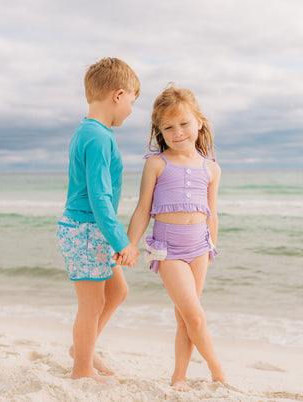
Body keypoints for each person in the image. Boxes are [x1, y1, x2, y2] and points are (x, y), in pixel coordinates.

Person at [115, 85, 225, 391]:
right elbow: (142, 209)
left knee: (185, 320)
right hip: (169, 251)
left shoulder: (212, 169)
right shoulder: (157, 164)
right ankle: (219, 372)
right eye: (168, 127)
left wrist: (211, 248)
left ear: (199, 122)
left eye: (184, 123)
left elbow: (211, 214)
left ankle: (179, 376)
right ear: (159, 131)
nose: (178, 132)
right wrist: (129, 244)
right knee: (195, 316)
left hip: (200, 248)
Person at [57, 57, 140, 383]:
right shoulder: (98, 137)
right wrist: (123, 242)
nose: (131, 109)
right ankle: (82, 371)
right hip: (86, 230)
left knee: (117, 292)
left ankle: (82, 350)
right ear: (118, 95)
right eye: (132, 100)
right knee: (90, 306)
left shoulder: (89, 130)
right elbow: (99, 198)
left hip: (89, 230)